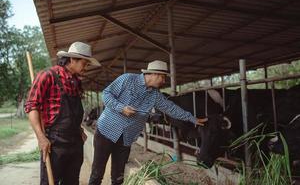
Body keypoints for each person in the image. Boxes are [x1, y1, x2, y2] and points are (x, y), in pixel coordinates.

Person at [88, 60, 207, 185]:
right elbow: (106, 94)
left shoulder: (155, 95)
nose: (164, 81)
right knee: (97, 173)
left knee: (118, 177)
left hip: (126, 138)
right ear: (155, 74)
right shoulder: (127, 79)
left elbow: (171, 108)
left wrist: (192, 118)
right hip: (106, 131)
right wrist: (121, 108)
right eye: (163, 77)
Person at [24, 41, 100, 185]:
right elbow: (32, 107)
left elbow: (72, 112)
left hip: (76, 143)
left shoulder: (76, 82)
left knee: (72, 181)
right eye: (85, 63)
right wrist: (41, 138)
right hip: (55, 142)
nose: (86, 67)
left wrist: (78, 129)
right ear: (72, 59)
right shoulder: (48, 76)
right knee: (49, 181)